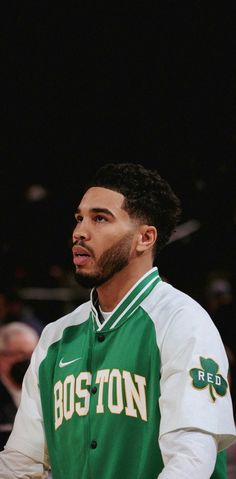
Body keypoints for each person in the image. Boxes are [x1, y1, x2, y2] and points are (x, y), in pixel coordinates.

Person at [0, 162, 235, 478]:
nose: (80, 231)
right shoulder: (55, 336)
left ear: (145, 238)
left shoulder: (183, 321)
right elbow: (21, 463)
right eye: (79, 218)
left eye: (99, 218)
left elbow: (191, 461)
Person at [0, 322, 39, 451]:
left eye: (32, 354)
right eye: (21, 354)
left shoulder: (43, 390)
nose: (27, 361)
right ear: (2, 357)